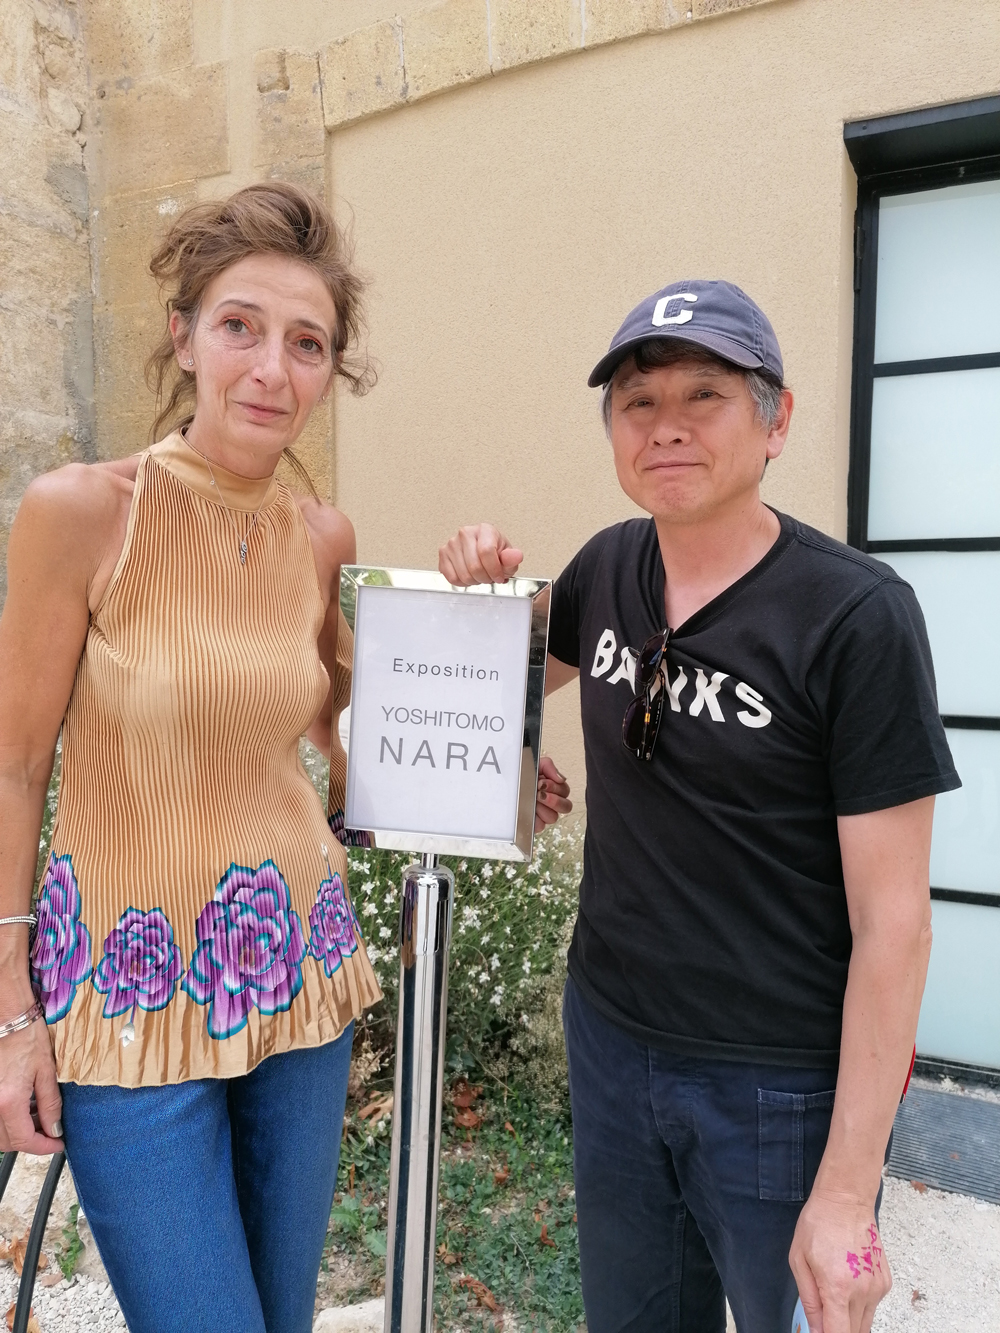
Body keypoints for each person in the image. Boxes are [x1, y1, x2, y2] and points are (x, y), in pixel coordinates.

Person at [0, 181, 569, 1333]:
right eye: (240, 327)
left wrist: (490, 738)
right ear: (184, 337)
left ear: (329, 368)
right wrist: (11, 1007)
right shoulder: (82, 513)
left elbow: (346, 728)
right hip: (126, 999)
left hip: (301, 975)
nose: (272, 368)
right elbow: (13, 765)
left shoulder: (321, 538)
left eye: (306, 343)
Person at [439, 279, 960, 1333]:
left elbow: (895, 923)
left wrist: (845, 1193)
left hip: (776, 1083)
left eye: (704, 395)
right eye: (638, 402)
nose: (666, 425)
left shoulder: (855, 617)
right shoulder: (606, 567)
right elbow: (477, 686)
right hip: (612, 1037)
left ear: (776, 420)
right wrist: (477, 601)